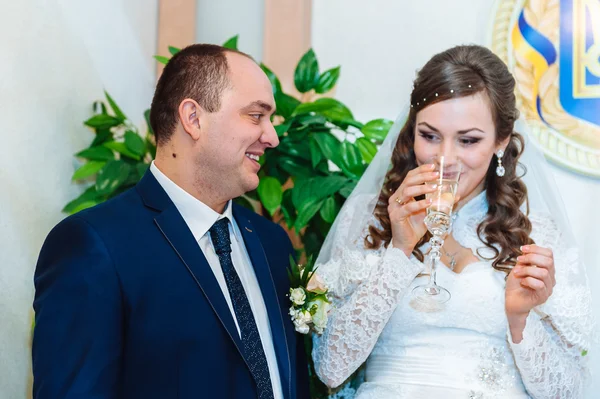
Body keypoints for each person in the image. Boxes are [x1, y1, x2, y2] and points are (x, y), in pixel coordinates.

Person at [312, 45, 594, 398]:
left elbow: (564, 392)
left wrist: (519, 320)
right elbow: (330, 368)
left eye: (468, 140)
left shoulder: (538, 234)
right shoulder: (367, 217)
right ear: (410, 131)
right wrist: (399, 251)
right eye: (429, 136)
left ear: (501, 141)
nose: (445, 158)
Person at [32, 44, 309, 399]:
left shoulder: (272, 243)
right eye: (256, 116)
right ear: (193, 118)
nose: (272, 137)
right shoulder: (95, 246)